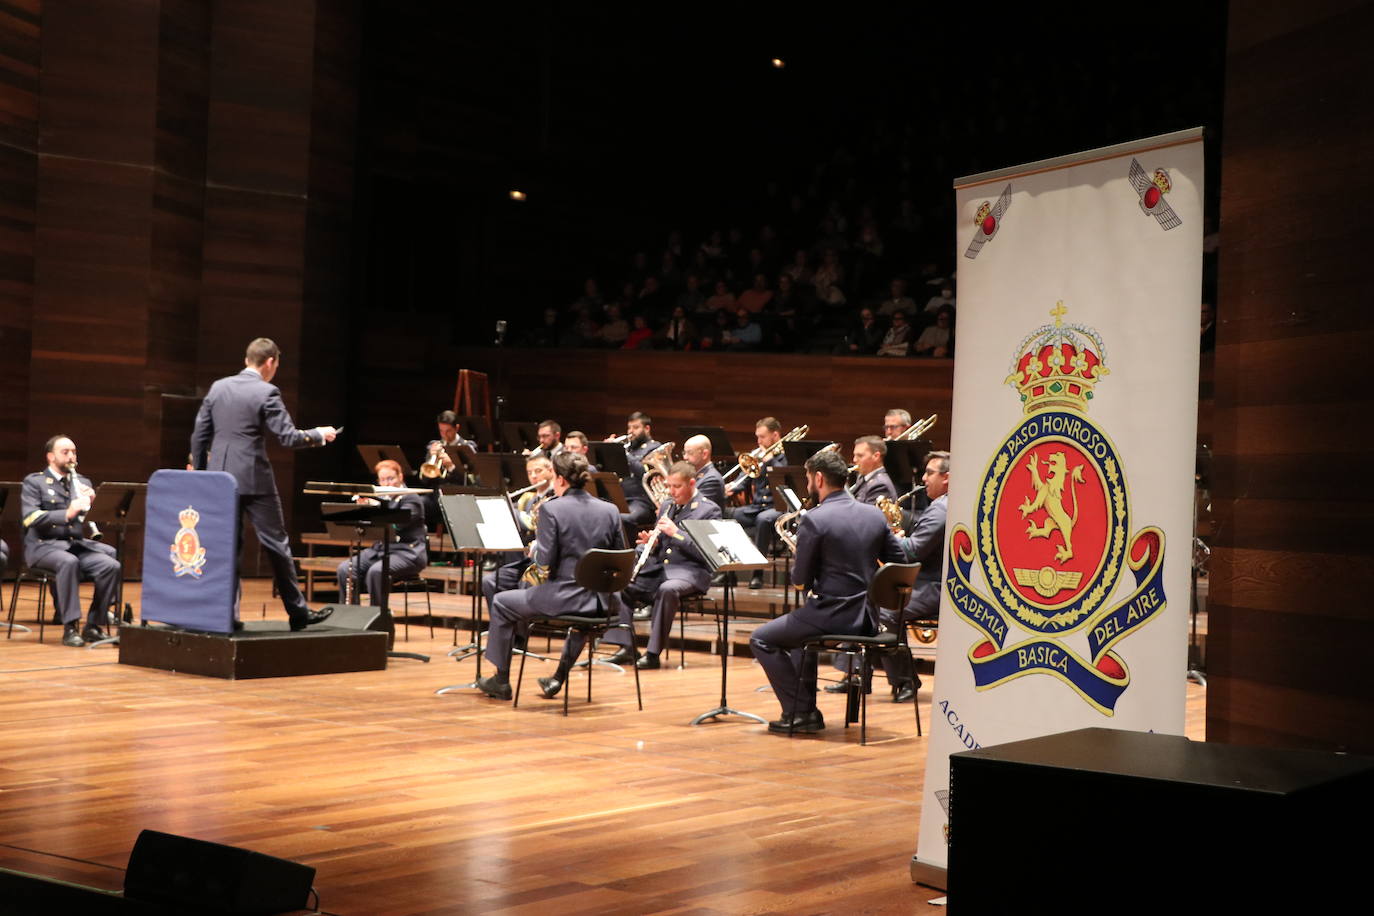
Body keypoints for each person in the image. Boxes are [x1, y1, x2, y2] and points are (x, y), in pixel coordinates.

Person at [750, 449, 904, 735]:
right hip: (869, 617)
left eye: (809, 477)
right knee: (797, 638)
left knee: (761, 639)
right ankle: (804, 712)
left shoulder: (815, 519)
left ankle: (800, 711)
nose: (808, 482)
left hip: (831, 615)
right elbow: (900, 563)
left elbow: (801, 580)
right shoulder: (873, 515)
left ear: (818, 478)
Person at [189, 337, 337, 630]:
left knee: (225, 548)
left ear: (248, 359)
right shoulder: (267, 391)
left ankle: (225, 616)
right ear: (270, 362)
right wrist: (319, 434)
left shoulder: (219, 387)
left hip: (219, 479)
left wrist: (203, 476)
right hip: (254, 479)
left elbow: (198, 437)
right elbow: (288, 437)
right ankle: (298, 613)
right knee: (276, 545)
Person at [476, 452, 625, 701]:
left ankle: (500, 680)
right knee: (581, 624)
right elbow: (620, 555)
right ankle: (558, 677)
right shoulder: (610, 510)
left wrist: (535, 553)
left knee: (502, 601)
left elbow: (545, 563)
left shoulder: (551, 509)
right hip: (602, 601)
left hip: (564, 598)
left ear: (560, 479)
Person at [601, 462, 721, 670]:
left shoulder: (709, 510)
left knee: (667, 589)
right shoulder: (667, 505)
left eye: (676, 487)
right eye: (669, 486)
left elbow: (707, 553)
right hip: (662, 568)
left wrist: (675, 533)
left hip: (691, 571)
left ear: (691, 483)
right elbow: (663, 546)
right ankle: (626, 646)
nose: (671, 492)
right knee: (620, 584)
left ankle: (653, 653)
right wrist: (653, 542)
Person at [20, 435, 122, 646]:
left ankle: (94, 625)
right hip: (42, 546)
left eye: (73, 452)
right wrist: (67, 513)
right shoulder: (35, 482)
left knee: (110, 565)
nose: (71, 456)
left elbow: (85, 519)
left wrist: (94, 504)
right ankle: (70, 628)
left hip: (73, 544)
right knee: (68, 562)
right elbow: (30, 518)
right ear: (50, 457)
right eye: (65, 452)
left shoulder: (82, 482)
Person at [885, 451, 949, 702]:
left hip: (935, 586)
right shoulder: (943, 504)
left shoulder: (941, 509)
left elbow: (913, 552)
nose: (923, 479)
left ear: (947, 478)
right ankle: (862, 676)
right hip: (933, 581)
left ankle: (905, 680)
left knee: (885, 613)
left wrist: (889, 538)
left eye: (929, 473)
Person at [335, 460, 428, 609]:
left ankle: (378, 615)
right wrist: (365, 509)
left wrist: (375, 509)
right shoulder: (382, 499)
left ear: (400, 477)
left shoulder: (411, 498)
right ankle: (350, 613)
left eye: (391, 479)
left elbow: (398, 525)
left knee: (376, 572)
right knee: (345, 569)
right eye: (382, 480)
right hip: (380, 550)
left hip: (408, 552)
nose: (387, 484)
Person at [480, 455, 554, 610]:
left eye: (538, 471)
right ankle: (502, 631)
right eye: (530, 472)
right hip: (524, 560)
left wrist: (516, 515)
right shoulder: (528, 499)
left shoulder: (555, 497)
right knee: (490, 582)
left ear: (551, 470)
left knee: (522, 587)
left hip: (543, 563)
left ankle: (519, 632)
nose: (533, 476)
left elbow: (537, 526)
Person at [726, 417, 786, 589]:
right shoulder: (757, 456)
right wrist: (732, 487)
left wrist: (771, 461)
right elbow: (744, 479)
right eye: (757, 437)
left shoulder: (786, 456)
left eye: (762, 437)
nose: (759, 441)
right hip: (757, 507)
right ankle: (728, 572)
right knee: (726, 514)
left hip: (778, 509)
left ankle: (757, 573)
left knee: (763, 519)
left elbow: (785, 481)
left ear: (775, 435)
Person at [609, 411, 661, 536]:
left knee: (624, 518)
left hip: (641, 502)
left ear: (647, 428)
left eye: (636, 427)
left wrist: (622, 452)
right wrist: (608, 450)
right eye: (629, 427)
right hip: (620, 498)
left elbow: (643, 472)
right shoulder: (629, 448)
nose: (631, 431)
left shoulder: (654, 447)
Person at [682, 434, 725, 509]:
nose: (685, 457)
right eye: (684, 453)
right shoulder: (693, 474)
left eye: (690, 453)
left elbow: (695, 509)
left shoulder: (712, 479)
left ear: (704, 454)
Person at [850, 436, 897, 505]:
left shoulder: (880, 485)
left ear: (876, 456)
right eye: (854, 455)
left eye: (860, 456)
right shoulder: (863, 477)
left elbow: (866, 514)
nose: (854, 460)